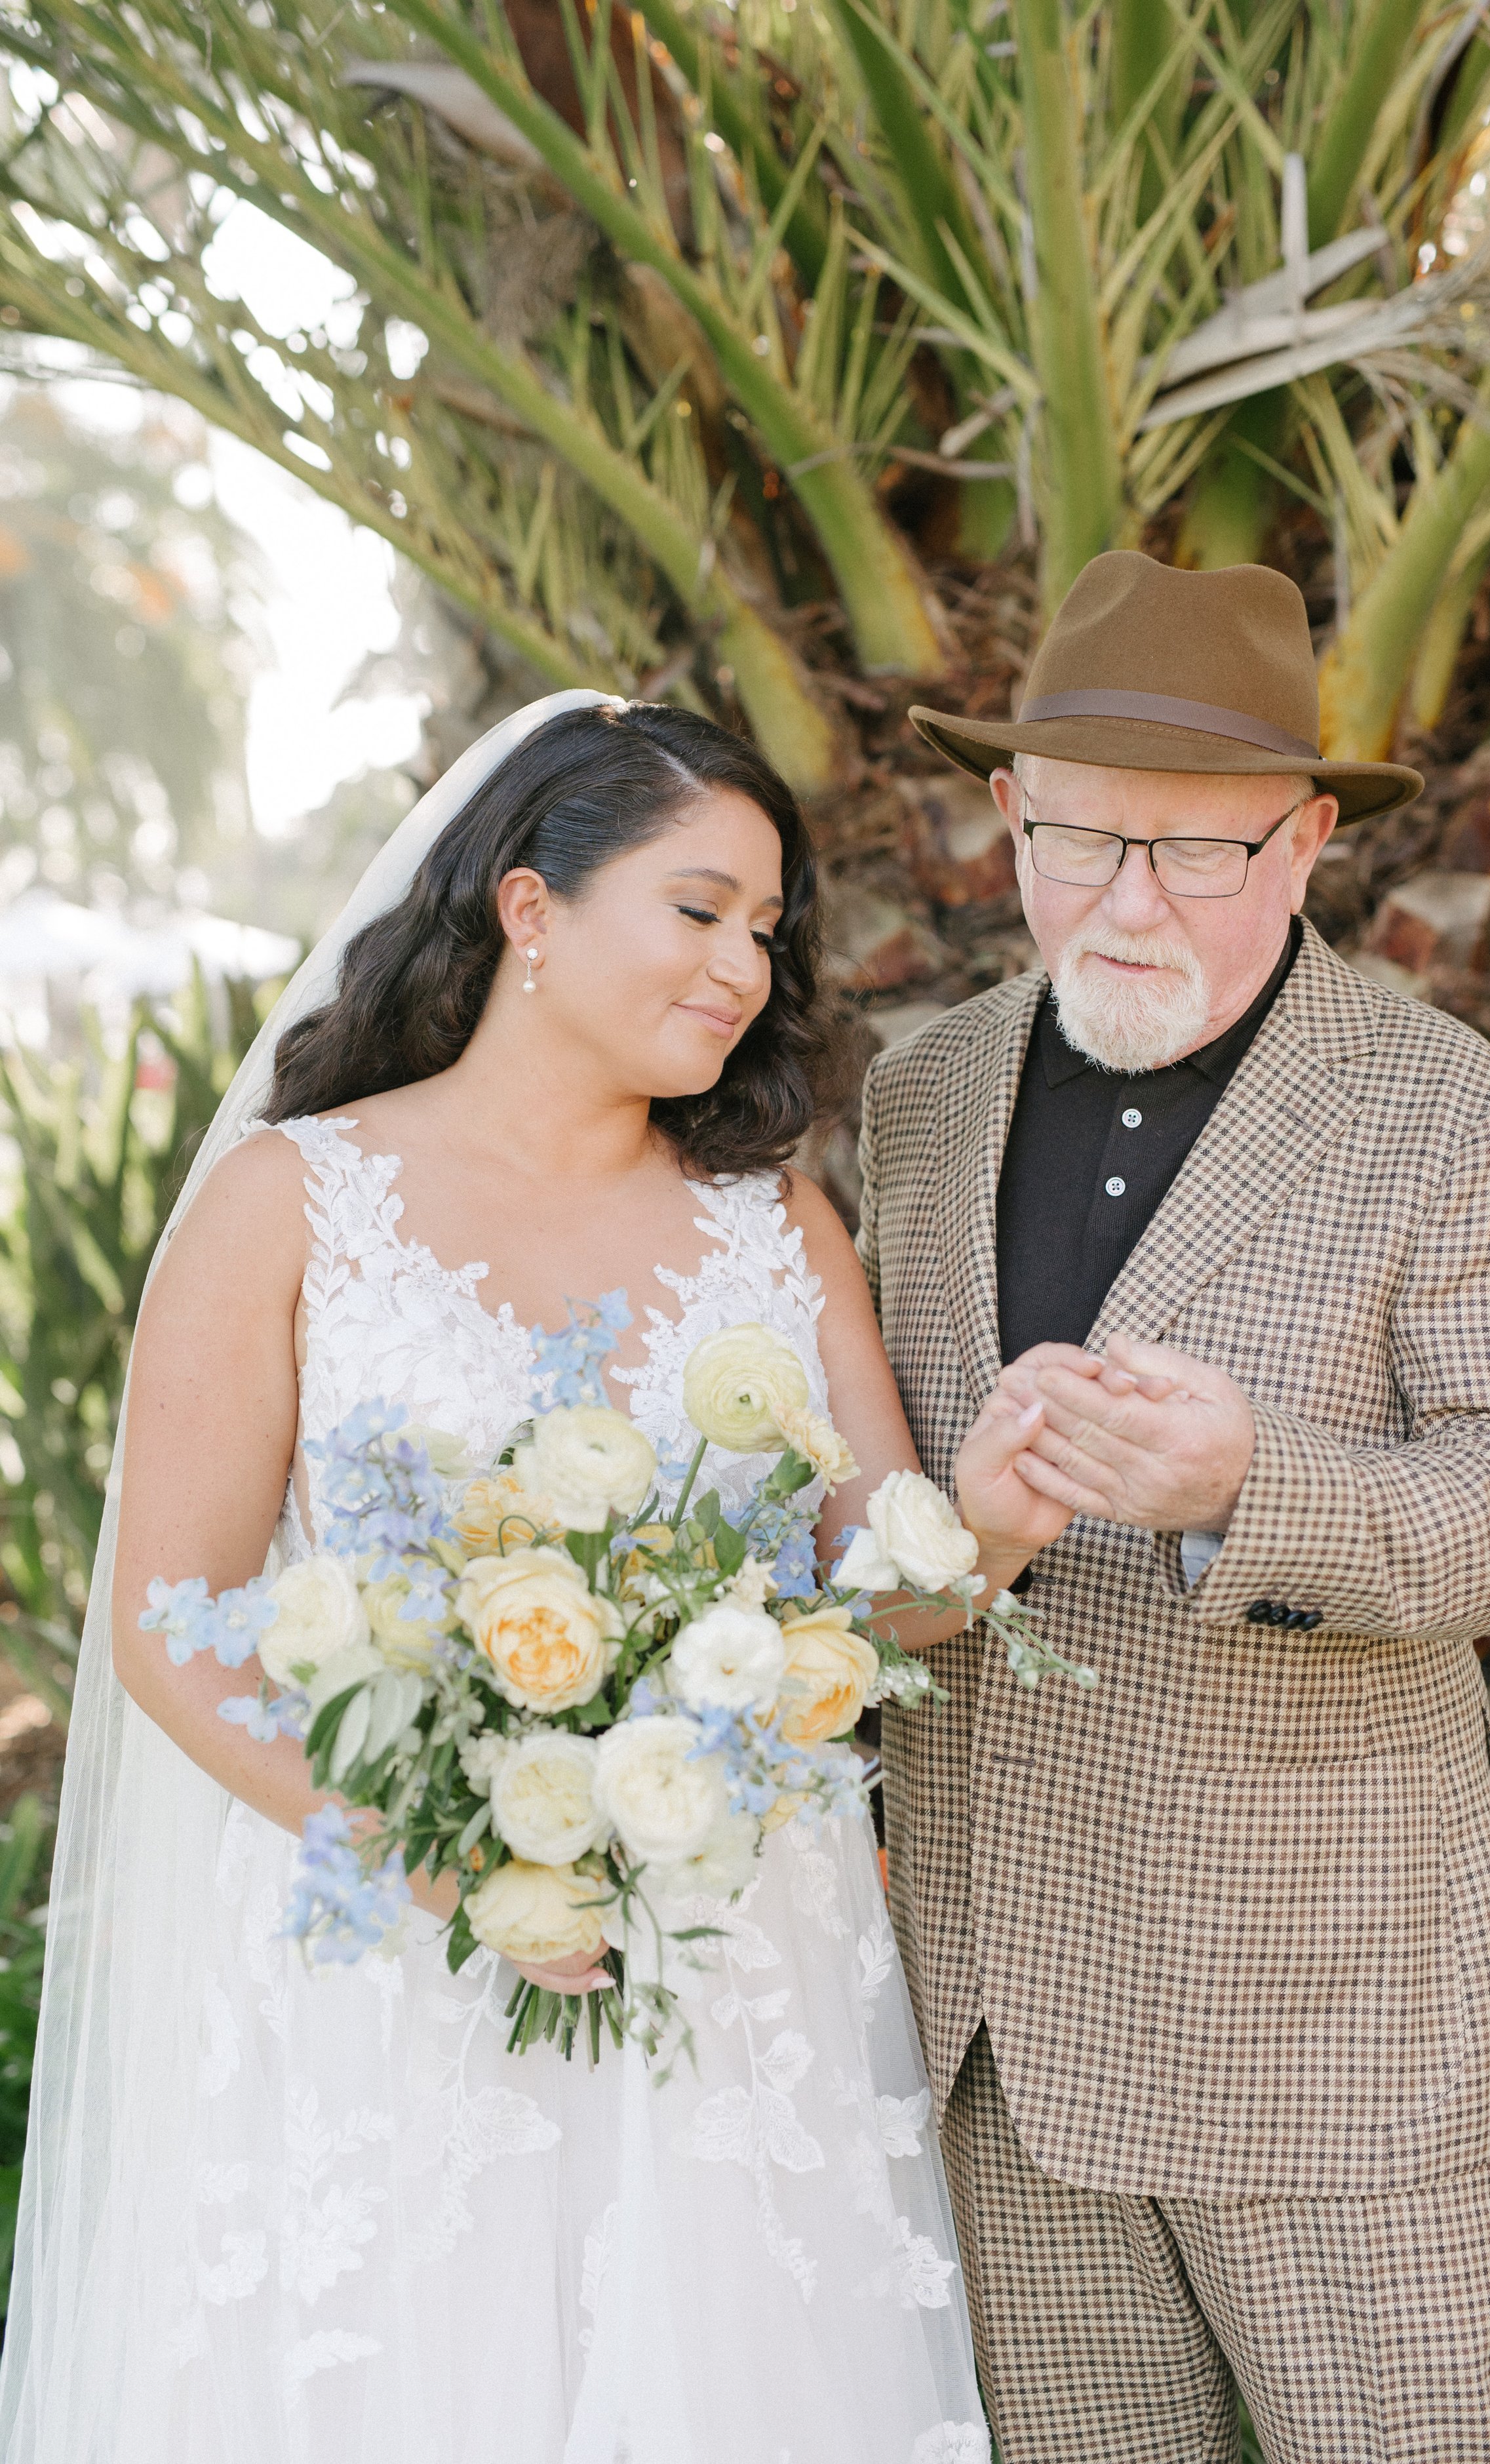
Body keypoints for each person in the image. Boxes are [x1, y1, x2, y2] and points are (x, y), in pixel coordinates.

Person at [0, 691, 1048, 2464]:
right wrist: (449, 1867)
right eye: (699, 908)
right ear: (530, 905)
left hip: (730, 1969)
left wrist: (999, 1526)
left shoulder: (771, 1226)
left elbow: (884, 1600)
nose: (740, 966)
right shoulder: (291, 1203)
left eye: (767, 930)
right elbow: (176, 1631)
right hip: (391, 1963)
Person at [859, 551, 1490, 2464]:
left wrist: (1248, 1491)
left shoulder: (1451, 1118)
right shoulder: (914, 1097)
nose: (1129, 901)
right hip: (1000, 2044)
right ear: (1008, 820)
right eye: (1083, 839)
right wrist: (954, 1537)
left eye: (1194, 852)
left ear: (1298, 849)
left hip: (1331, 2049)